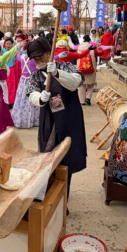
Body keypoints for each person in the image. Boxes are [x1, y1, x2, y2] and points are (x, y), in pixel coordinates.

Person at [27, 37, 87, 202]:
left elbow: (76, 82)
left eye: (40, 57)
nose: (37, 61)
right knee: (48, 156)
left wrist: (57, 73)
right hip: (49, 120)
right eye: (34, 59)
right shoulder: (37, 76)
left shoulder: (65, 66)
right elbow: (31, 93)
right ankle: (47, 195)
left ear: (49, 53)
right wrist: (40, 98)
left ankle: (63, 197)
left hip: (69, 118)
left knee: (67, 158)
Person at [11, 43, 39, 129]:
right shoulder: (36, 59)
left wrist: (19, 49)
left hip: (23, 81)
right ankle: (33, 120)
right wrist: (58, 56)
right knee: (33, 99)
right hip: (33, 81)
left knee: (21, 100)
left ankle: (20, 119)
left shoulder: (22, 57)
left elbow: (17, 55)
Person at [77, 35, 97, 105]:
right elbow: (100, 53)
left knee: (82, 85)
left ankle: (82, 101)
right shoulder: (93, 48)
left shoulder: (79, 48)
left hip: (81, 69)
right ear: (89, 41)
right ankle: (88, 98)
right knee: (91, 84)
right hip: (91, 69)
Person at [3, 37, 21, 106]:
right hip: (4, 70)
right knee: (6, 85)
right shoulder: (2, 51)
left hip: (13, 70)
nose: (8, 45)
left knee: (13, 86)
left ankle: (12, 101)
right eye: (7, 44)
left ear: (12, 44)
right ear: (4, 44)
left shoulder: (15, 51)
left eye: (9, 44)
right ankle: (5, 100)